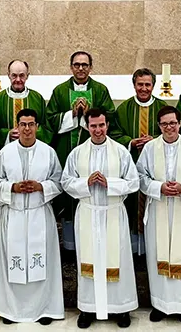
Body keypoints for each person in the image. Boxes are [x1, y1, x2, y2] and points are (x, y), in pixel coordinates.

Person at [61, 110, 140, 329]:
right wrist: (86, 182)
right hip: (88, 212)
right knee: (89, 260)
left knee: (119, 259)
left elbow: (134, 183)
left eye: (102, 125)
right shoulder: (77, 153)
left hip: (113, 212)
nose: (98, 130)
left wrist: (110, 184)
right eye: (93, 126)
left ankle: (121, 308)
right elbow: (66, 182)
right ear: (87, 127)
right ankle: (88, 307)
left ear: (107, 125)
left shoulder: (121, 151)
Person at [0, 109, 65, 325]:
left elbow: (59, 181)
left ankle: (44, 309)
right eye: (23, 124)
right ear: (17, 126)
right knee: (12, 264)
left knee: (42, 262)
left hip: (39, 215)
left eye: (31, 124)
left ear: (37, 127)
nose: (27, 129)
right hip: (13, 215)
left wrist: (40, 186)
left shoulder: (48, 152)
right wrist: (12, 187)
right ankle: (11, 310)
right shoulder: (6, 153)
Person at [137, 108, 181, 323]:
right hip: (158, 208)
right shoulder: (150, 148)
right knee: (157, 255)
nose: (169, 127)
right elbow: (140, 176)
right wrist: (159, 187)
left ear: (180, 123)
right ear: (159, 126)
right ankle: (161, 304)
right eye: (164, 124)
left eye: (173, 123)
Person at [49, 51, 116, 251]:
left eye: (85, 65)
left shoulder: (100, 90)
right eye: (77, 64)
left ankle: (95, 242)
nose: (80, 68)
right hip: (67, 148)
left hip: (96, 149)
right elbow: (51, 119)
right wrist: (72, 114)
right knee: (70, 196)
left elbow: (109, 116)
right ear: (71, 67)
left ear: (91, 67)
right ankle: (70, 245)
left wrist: (88, 115)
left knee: (94, 191)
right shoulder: (60, 91)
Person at [114, 68, 166, 254]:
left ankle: (151, 249)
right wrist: (131, 142)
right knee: (132, 204)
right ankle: (134, 249)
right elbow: (115, 133)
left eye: (147, 85)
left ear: (153, 85)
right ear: (134, 85)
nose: (143, 89)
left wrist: (155, 141)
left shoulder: (163, 108)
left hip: (156, 166)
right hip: (131, 162)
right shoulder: (123, 109)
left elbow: (172, 132)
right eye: (140, 84)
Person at [0, 60, 52, 149]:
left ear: (27, 75)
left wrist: (30, 132)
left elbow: (47, 128)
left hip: (33, 150)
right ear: (8, 75)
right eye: (14, 75)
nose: (18, 80)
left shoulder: (37, 98)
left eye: (22, 75)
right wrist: (7, 134)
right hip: (7, 151)